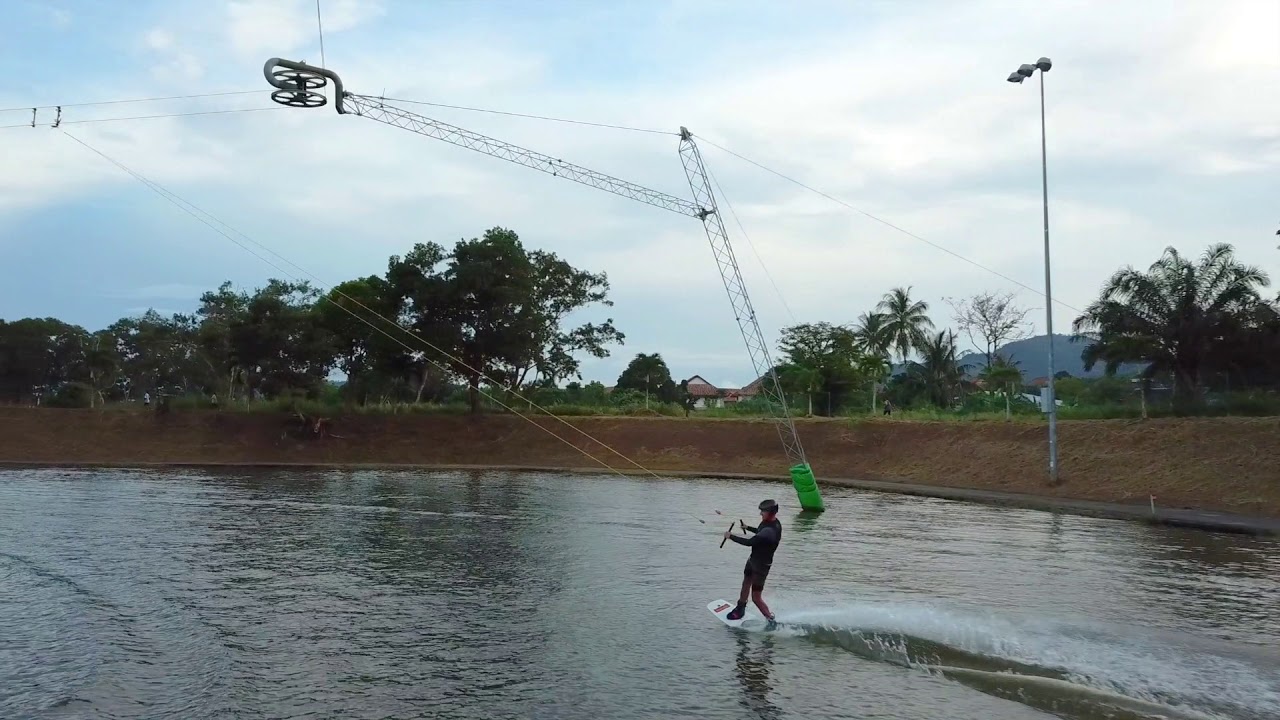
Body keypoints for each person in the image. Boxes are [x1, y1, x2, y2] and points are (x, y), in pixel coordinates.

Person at [722, 498, 782, 623]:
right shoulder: (768, 523)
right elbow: (759, 531)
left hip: (761, 566)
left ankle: (770, 620)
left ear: (771, 512)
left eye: (763, 512)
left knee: (756, 597)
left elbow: (750, 542)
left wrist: (731, 536)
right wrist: (747, 527)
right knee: (746, 582)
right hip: (753, 560)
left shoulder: (770, 531)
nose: (760, 514)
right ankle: (740, 609)